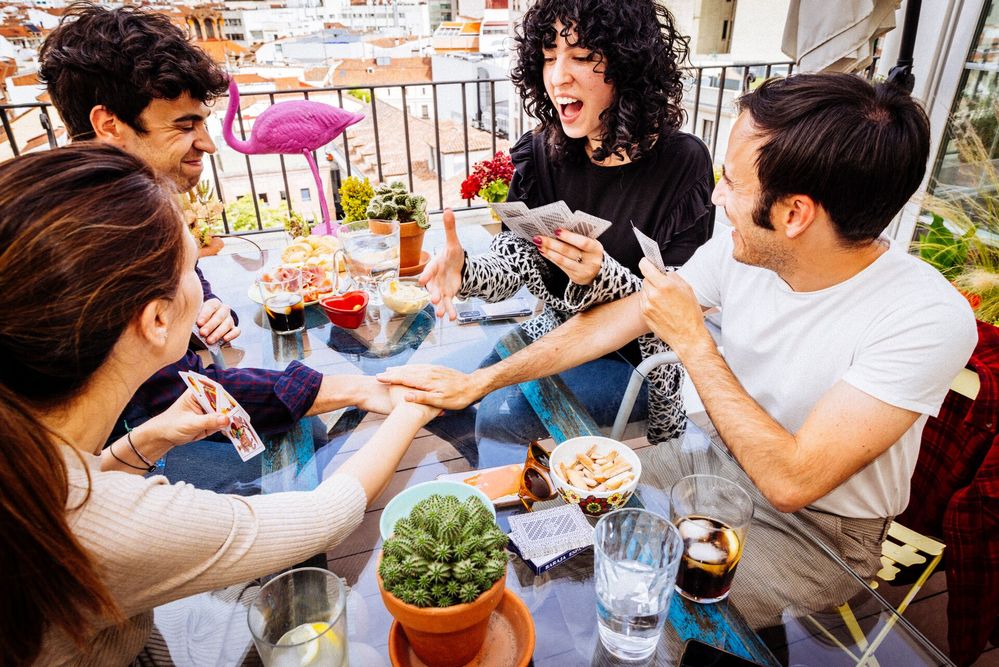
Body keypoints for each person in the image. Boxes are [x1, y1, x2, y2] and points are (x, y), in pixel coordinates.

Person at [382, 73, 978, 587]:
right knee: (543, 525)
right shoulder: (743, 253)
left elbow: (792, 481)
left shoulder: (924, 317)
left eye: (733, 183)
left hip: (819, 536)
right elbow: (611, 324)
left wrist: (693, 340)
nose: (716, 196)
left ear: (794, 214)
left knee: (621, 581)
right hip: (709, 466)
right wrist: (480, 382)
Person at [0, 144, 439, 666]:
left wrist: (149, 438)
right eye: (193, 268)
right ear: (157, 320)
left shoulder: (29, 439)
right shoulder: (106, 525)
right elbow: (325, 517)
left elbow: (74, 485)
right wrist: (413, 409)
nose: (204, 288)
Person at [38, 4, 386, 444]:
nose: (207, 144)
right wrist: (358, 388)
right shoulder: (102, 240)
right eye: (185, 125)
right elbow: (181, 398)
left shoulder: (111, 201)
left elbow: (185, 275)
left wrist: (203, 303)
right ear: (110, 124)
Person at [420, 0, 715, 453]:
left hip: (638, 362)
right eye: (549, 55)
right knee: (438, 397)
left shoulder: (683, 163)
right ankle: (528, 478)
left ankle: (536, 492)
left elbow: (677, 307)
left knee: (497, 416)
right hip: (555, 336)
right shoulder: (543, 149)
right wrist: (467, 272)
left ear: (630, 67)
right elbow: (518, 256)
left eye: (580, 57)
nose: (558, 76)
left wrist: (602, 277)